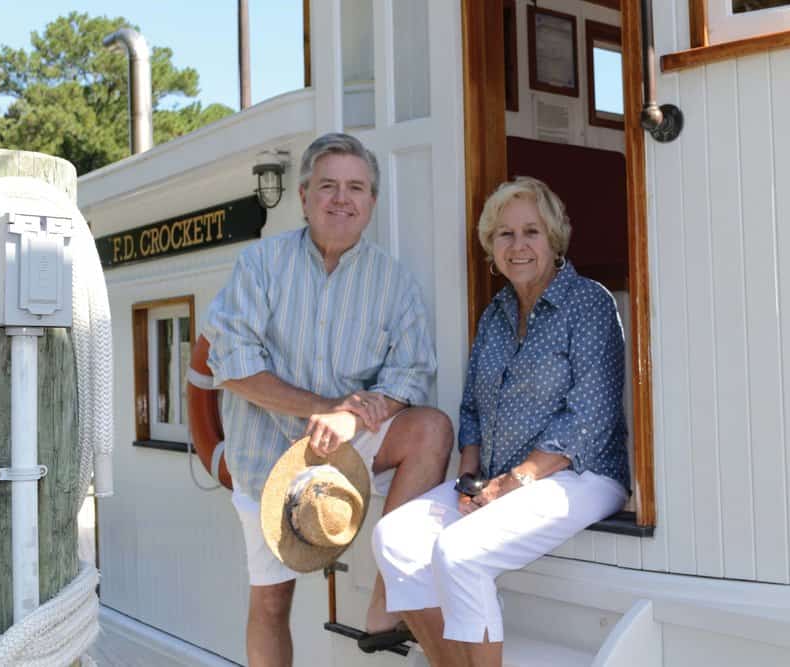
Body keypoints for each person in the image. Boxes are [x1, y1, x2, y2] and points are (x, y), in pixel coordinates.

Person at [202, 133, 452, 667]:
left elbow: (411, 375)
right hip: (267, 457)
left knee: (431, 428)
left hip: (352, 446)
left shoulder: (395, 282)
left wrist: (355, 416)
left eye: (356, 188)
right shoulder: (260, 265)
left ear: (372, 202)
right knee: (271, 601)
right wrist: (325, 409)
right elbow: (234, 366)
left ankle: (389, 597)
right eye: (329, 186)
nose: (342, 198)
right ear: (303, 195)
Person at [372, 177, 630, 666]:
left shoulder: (588, 303)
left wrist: (513, 481)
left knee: (460, 552)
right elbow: (471, 408)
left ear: (554, 239)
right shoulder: (495, 313)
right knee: (395, 540)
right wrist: (471, 481)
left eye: (531, 231)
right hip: (498, 479)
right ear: (491, 246)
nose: (518, 246)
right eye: (504, 234)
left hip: (582, 473)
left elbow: (588, 419)